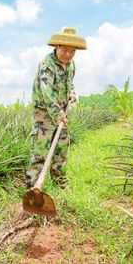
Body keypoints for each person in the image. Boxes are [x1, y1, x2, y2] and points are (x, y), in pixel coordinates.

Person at [25, 27, 87, 189]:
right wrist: (58, 114)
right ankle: (33, 186)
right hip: (45, 113)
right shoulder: (47, 65)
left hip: (62, 110)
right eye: (65, 50)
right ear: (57, 46)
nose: (68, 54)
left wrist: (72, 93)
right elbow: (47, 92)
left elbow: (69, 82)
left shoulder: (70, 65)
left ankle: (61, 183)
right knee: (40, 149)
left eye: (72, 52)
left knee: (61, 148)